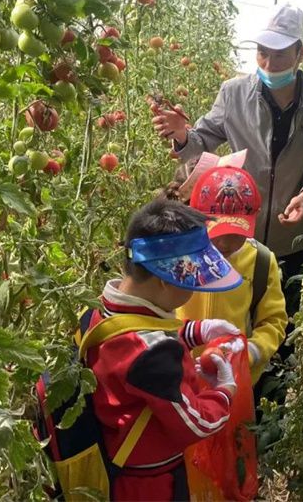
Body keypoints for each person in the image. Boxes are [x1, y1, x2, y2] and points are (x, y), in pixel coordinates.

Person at [151, 3, 303, 361]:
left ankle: (270, 401)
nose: (269, 64)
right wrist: (181, 135)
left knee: (281, 328)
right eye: (263, 53)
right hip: (234, 237)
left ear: (301, 53)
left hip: (291, 240)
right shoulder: (234, 93)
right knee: (228, 321)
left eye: (280, 55)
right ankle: (223, 393)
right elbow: (201, 139)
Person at [85, 198, 246, 501]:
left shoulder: (101, 308)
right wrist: (224, 390)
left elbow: (136, 336)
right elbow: (195, 424)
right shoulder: (154, 355)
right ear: (165, 281)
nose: (196, 289)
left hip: (116, 458)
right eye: (193, 282)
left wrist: (196, 331)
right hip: (148, 483)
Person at [174, 165, 287, 385]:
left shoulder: (261, 261)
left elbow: (273, 321)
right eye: (216, 232)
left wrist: (251, 351)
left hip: (235, 380)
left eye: (236, 234)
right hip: (178, 377)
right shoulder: (180, 256)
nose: (225, 243)